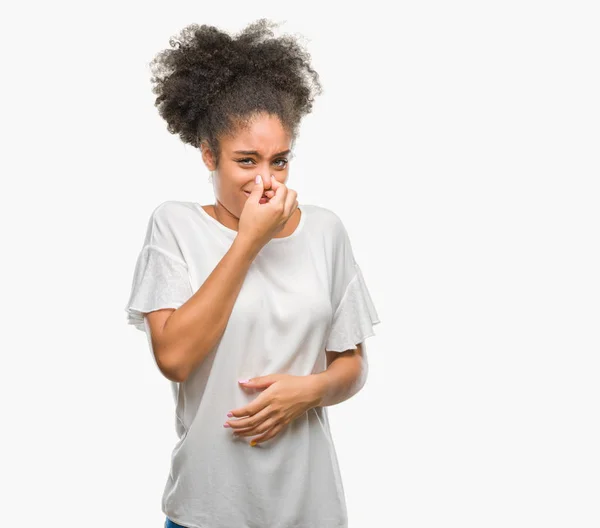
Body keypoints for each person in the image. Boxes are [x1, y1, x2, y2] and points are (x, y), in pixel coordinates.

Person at [125, 19, 381, 528]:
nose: (265, 181)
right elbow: (174, 357)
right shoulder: (174, 226)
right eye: (246, 160)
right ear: (208, 154)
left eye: (279, 161)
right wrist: (249, 241)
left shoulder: (326, 232)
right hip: (207, 509)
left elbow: (351, 363)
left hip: (311, 508)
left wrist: (308, 392)